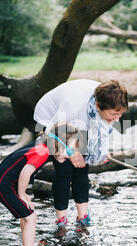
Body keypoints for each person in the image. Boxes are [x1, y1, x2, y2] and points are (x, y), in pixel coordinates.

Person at [33, 79, 128, 229]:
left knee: (81, 169)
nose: (117, 119)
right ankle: (61, 220)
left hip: (77, 124)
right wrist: (70, 152)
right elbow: (54, 133)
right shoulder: (72, 106)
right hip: (52, 123)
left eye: (120, 114)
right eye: (114, 115)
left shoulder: (107, 100)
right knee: (64, 171)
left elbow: (101, 129)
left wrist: (101, 151)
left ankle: (82, 216)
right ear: (98, 107)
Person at [0, 122, 81, 246]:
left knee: (26, 215)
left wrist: (23, 193)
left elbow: (20, 168)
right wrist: (22, 193)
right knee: (31, 217)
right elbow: (26, 172)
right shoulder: (43, 152)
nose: (69, 156)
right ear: (59, 144)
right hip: (4, 187)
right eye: (69, 151)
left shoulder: (41, 146)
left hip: (7, 184)